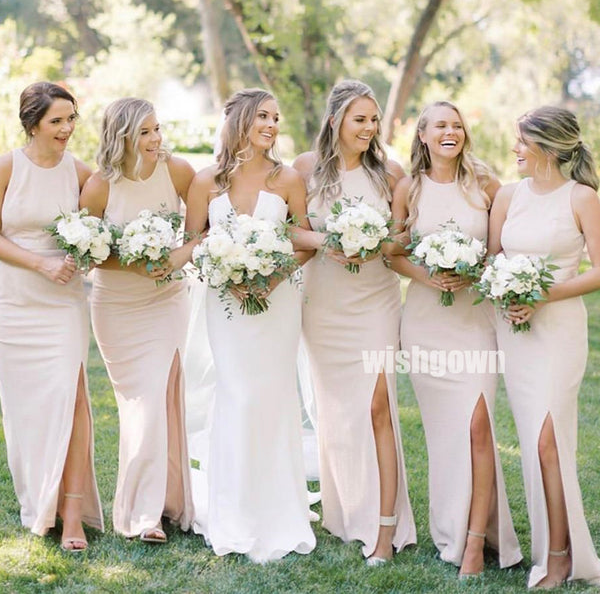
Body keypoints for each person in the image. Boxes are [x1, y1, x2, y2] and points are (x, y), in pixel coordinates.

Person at [389, 101, 522, 577]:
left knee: (478, 425)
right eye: (441, 125)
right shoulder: (409, 189)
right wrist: (428, 275)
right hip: (425, 324)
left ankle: (475, 543)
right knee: (446, 434)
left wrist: (475, 271)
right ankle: (453, 527)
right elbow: (393, 252)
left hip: (474, 321)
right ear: (423, 135)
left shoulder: (485, 185)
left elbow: (501, 252)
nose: (451, 131)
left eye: (457, 125)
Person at [184, 87, 316, 562]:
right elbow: (194, 244)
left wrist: (271, 277)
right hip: (227, 305)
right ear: (240, 119)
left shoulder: (289, 178)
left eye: (276, 118)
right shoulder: (206, 181)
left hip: (277, 304)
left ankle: (278, 507)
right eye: (263, 116)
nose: (272, 125)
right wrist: (226, 274)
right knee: (237, 394)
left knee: (273, 395)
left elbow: (304, 241)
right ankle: (234, 509)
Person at [293, 79, 416, 564]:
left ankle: (385, 528)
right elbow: (293, 230)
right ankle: (345, 513)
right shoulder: (305, 169)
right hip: (324, 303)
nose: (368, 128)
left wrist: (372, 244)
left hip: (375, 300)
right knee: (338, 411)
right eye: (359, 119)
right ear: (335, 121)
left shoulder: (390, 173)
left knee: (378, 405)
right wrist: (327, 242)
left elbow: (403, 239)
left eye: (373, 120)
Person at [488, 105, 600, 589]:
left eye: (522, 140)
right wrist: (509, 294)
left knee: (549, 442)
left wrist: (542, 295)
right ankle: (554, 547)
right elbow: (493, 259)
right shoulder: (508, 195)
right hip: (515, 331)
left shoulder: (582, 197)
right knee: (535, 440)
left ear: (547, 148)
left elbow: (599, 270)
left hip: (559, 332)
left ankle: (559, 558)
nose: (515, 148)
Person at [80, 97, 195, 542]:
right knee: (140, 404)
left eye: (157, 129)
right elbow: (89, 253)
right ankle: (143, 512)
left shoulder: (177, 171)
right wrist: (135, 262)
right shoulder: (99, 187)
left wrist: (175, 258)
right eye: (144, 132)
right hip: (117, 307)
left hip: (167, 300)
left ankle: (162, 508)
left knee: (162, 397)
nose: (155, 139)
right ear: (122, 136)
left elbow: (202, 229)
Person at [0, 81, 103, 551]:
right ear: (33, 124)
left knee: (73, 398)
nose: (66, 129)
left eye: (70, 119)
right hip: (14, 303)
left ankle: (73, 514)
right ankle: (40, 497)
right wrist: (39, 263)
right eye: (56, 121)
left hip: (64, 303)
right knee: (28, 410)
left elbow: (100, 226)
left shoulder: (79, 172)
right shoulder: (8, 166)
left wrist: (84, 255)